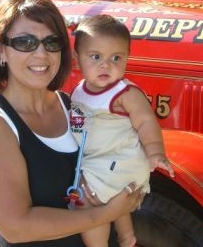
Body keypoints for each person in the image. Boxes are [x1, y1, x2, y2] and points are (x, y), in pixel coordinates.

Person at [0, 0, 143, 247]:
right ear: (2, 51)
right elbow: (16, 227)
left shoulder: (72, 106)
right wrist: (106, 214)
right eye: (25, 42)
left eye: (51, 42)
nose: (41, 54)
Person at [70, 14, 175, 247]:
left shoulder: (125, 93)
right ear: (77, 59)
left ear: (127, 58)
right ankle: (127, 237)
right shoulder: (78, 91)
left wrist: (156, 153)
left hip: (119, 160)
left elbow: (146, 122)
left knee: (87, 202)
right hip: (99, 161)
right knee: (109, 198)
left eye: (116, 58)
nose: (106, 65)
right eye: (95, 57)